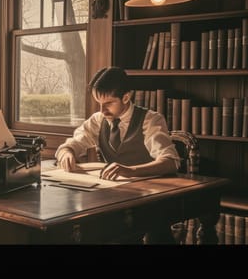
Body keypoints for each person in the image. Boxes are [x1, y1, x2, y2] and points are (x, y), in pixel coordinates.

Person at [55, 66, 180, 243]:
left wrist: (130, 170)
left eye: (108, 103)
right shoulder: (98, 120)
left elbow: (171, 162)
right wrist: (66, 153)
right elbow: (69, 145)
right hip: (112, 200)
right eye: (99, 103)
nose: (102, 110)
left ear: (126, 97)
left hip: (149, 201)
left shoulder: (151, 120)